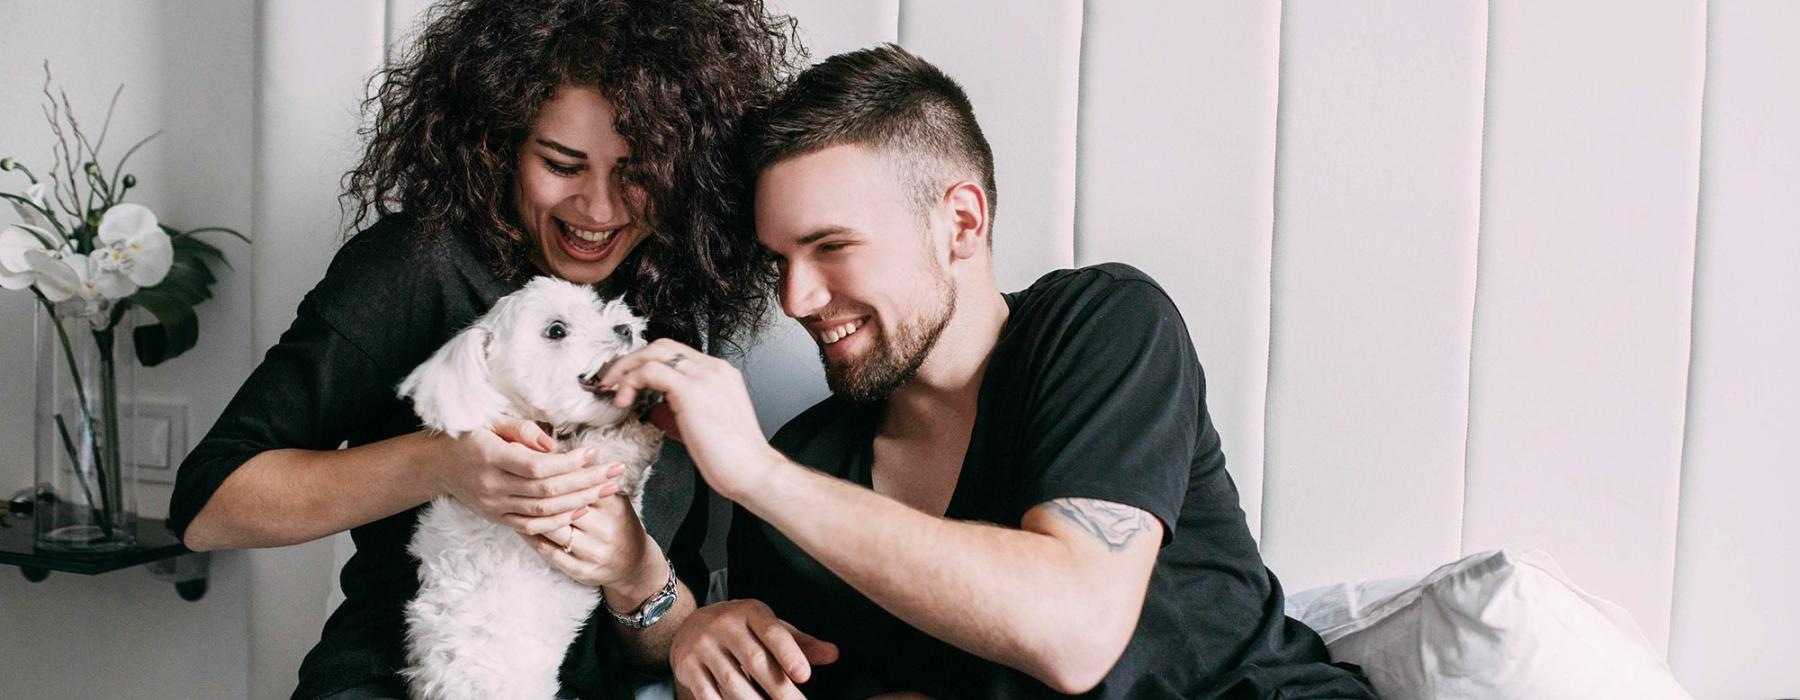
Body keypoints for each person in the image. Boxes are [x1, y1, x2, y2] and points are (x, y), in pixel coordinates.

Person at [594, 45, 1380, 699]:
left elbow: (1074, 633)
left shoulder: (1102, 324)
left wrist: (758, 475)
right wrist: (716, 637)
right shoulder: (806, 469)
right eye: (780, 261)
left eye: (831, 247)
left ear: (961, 222)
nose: (796, 299)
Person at [166, 2, 800, 698]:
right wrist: (444, 466)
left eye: (637, 171)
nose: (599, 209)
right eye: (562, 164)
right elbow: (208, 508)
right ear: (501, 141)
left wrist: (635, 572)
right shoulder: (418, 265)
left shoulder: (673, 307)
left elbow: (666, 646)